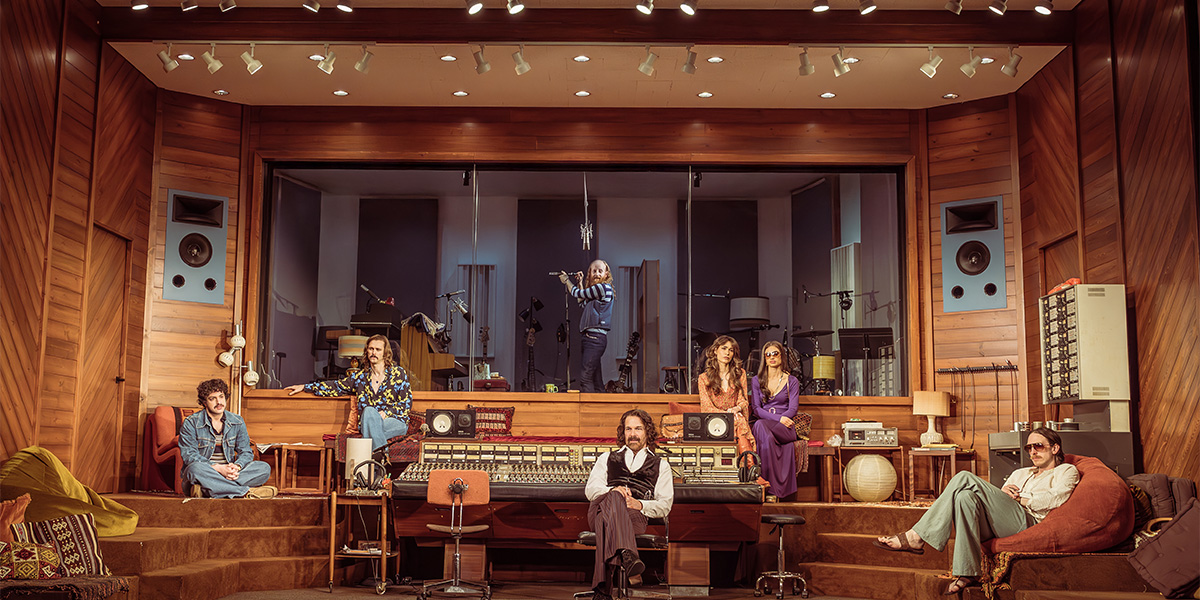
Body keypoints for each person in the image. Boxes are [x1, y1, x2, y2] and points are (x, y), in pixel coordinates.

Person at [872, 427, 1079, 595]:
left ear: (1054, 448)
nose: (1033, 452)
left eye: (1038, 446)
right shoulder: (1021, 472)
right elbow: (998, 503)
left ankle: (916, 536)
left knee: (964, 477)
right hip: (1006, 520)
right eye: (1029, 448)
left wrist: (1021, 498)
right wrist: (1002, 493)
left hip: (1029, 522)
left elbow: (1057, 498)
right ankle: (966, 571)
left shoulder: (1066, 471)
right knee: (965, 497)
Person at [584, 409, 674, 600]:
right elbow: (590, 491)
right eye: (628, 429)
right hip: (601, 507)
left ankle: (602, 591)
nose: (632, 434)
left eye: (638, 429)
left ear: (647, 432)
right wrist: (613, 491)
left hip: (635, 517)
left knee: (605, 524)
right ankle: (628, 553)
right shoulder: (606, 458)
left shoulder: (661, 465)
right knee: (615, 497)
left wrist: (639, 504)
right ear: (622, 432)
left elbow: (665, 505)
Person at [285, 333, 412, 451]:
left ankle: (370, 468)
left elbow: (406, 404)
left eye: (378, 350)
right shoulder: (360, 377)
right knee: (368, 412)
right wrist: (305, 387)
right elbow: (336, 386)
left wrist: (385, 413)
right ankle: (379, 463)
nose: (373, 352)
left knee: (369, 429)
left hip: (394, 422)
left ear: (385, 353)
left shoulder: (398, 374)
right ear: (366, 351)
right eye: (371, 349)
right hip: (368, 422)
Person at [180, 379, 277, 499]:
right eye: (212, 398)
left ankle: (208, 488)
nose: (218, 402)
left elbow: (246, 452)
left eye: (221, 396)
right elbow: (189, 455)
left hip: (230, 473)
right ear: (204, 402)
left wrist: (237, 467)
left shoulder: (237, 421)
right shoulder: (191, 422)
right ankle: (245, 492)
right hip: (207, 470)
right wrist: (219, 468)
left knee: (264, 468)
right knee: (194, 469)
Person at [749, 340, 800, 500]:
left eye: (775, 353)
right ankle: (773, 491)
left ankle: (767, 488)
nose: (771, 357)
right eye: (768, 354)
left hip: (785, 428)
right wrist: (779, 418)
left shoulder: (792, 381)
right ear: (764, 358)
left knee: (759, 427)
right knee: (762, 429)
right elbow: (757, 409)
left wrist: (783, 420)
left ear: (781, 356)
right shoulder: (757, 380)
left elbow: (793, 409)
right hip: (768, 422)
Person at [558, 259, 614, 393]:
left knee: (585, 377)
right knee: (596, 379)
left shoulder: (603, 288)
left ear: (606, 274)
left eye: (600, 271)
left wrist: (567, 281)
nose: (596, 274)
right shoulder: (597, 292)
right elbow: (582, 303)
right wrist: (579, 283)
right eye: (594, 271)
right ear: (589, 274)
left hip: (595, 338)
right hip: (591, 339)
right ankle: (600, 409)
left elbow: (578, 294)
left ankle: (587, 411)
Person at [698, 335, 755, 455]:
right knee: (738, 422)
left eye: (731, 350)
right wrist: (727, 414)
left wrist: (736, 408)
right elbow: (706, 407)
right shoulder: (704, 378)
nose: (727, 353)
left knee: (739, 421)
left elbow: (743, 400)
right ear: (715, 350)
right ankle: (749, 466)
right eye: (724, 348)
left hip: (735, 417)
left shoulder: (740, 374)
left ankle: (747, 466)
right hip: (714, 421)